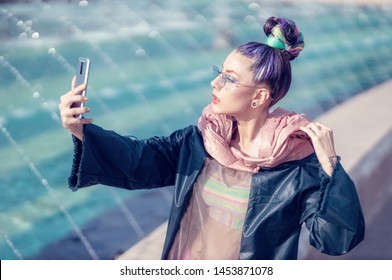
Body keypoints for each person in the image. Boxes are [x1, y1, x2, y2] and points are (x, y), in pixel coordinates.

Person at [59, 16, 365, 260]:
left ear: (259, 96)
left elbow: (335, 239)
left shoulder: (295, 166)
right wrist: (80, 130)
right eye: (220, 72)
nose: (215, 82)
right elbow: (138, 161)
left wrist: (331, 168)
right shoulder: (201, 141)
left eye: (229, 78)